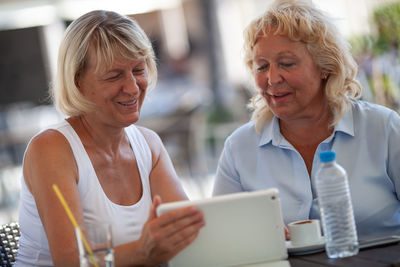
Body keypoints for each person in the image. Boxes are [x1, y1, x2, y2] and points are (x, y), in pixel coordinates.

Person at [15, 10, 205, 266]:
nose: (132, 87)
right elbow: (71, 260)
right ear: (77, 82)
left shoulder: (149, 145)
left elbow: (188, 234)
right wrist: (143, 251)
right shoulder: (50, 149)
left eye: (139, 69)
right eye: (114, 76)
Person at [213, 0, 400, 239]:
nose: (272, 78)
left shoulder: (383, 128)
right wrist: (251, 237)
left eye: (286, 64)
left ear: (325, 67)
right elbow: (222, 236)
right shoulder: (239, 148)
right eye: (261, 67)